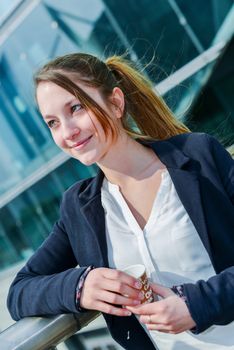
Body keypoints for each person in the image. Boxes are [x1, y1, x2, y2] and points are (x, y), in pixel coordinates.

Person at [7, 52, 234, 350]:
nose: (67, 132)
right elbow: (20, 292)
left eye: (75, 108)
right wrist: (81, 286)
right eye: (52, 122)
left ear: (115, 102)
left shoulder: (199, 157)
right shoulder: (79, 208)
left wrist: (196, 304)